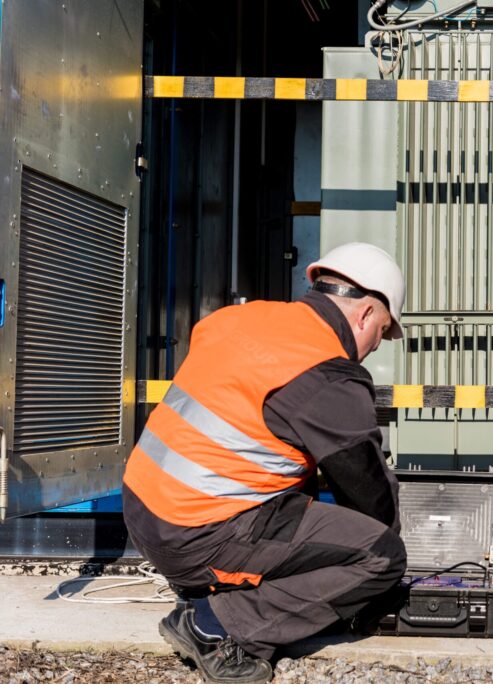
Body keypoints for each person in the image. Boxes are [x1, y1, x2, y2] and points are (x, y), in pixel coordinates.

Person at [122, 243, 409, 683]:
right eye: (382, 333)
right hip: (194, 536)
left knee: (300, 488)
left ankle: (210, 591)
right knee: (380, 556)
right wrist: (381, 577)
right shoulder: (327, 372)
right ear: (366, 314)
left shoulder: (241, 318)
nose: (374, 348)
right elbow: (371, 500)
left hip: (143, 510)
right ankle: (214, 628)